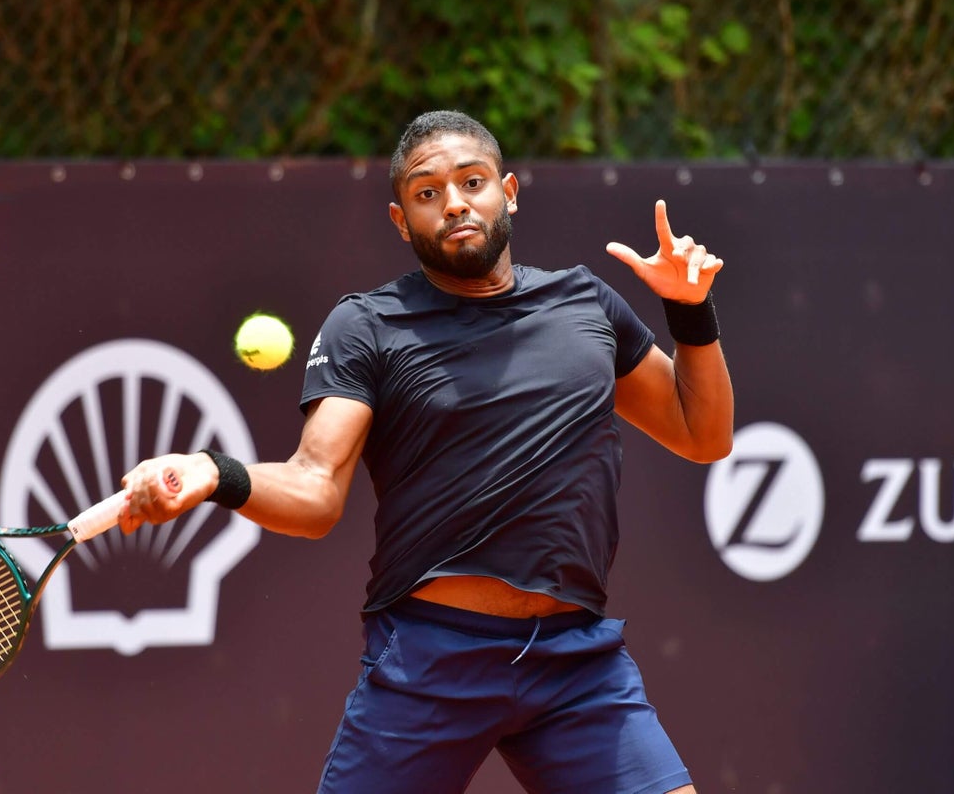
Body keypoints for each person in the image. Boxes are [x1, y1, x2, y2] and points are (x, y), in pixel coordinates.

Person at [118, 110, 733, 794]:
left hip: (575, 664)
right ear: (400, 219)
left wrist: (691, 313)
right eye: (427, 193)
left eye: (472, 181)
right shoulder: (368, 327)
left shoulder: (585, 304)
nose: (454, 203)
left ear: (510, 190)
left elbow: (702, 435)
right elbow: (315, 489)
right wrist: (215, 474)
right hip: (431, 661)